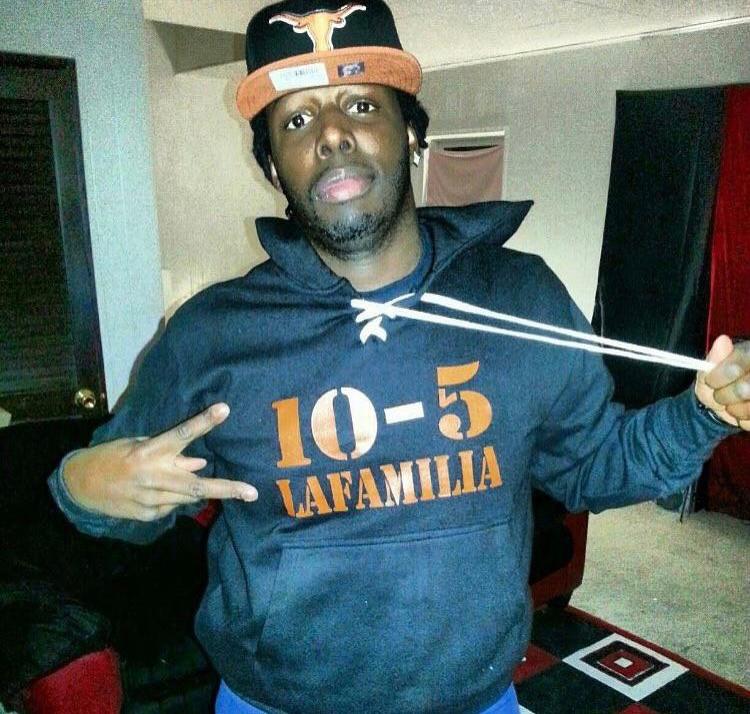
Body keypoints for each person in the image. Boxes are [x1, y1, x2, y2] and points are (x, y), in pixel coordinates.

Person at [49, 1, 750, 712]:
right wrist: (83, 482)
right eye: (296, 120)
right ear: (273, 169)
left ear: (412, 134)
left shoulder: (522, 298)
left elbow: (598, 464)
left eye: (360, 103)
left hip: (474, 700)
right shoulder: (209, 334)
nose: (330, 134)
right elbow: (116, 495)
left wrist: (705, 414)